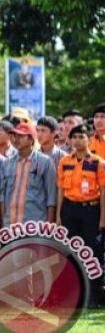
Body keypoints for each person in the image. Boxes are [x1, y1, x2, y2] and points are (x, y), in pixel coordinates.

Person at [56, 124, 105, 308]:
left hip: (91, 210)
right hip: (69, 210)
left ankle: (94, 296)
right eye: (74, 136)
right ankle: (74, 296)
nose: (77, 140)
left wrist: (103, 217)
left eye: (81, 136)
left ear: (89, 138)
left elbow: (103, 191)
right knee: (71, 253)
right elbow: (60, 190)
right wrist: (59, 215)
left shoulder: (98, 163)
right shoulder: (65, 162)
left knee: (93, 253)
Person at [0, 122, 57, 225]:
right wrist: (4, 222)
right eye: (15, 136)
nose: (16, 139)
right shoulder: (6, 163)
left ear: (31, 139)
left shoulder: (45, 162)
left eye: (21, 136)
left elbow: (51, 196)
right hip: (11, 224)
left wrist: (49, 225)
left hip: (36, 225)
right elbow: (2, 196)